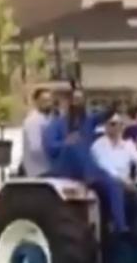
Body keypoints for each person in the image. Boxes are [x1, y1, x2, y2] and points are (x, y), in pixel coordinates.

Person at [43, 90, 128, 233]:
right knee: (74, 147)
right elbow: (50, 148)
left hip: (89, 169)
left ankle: (120, 225)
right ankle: (89, 176)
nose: (78, 104)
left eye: (81, 100)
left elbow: (104, 115)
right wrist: (66, 142)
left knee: (114, 184)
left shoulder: (88, 122)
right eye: (76, 100)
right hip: (65, 169)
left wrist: (115, 104)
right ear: (69, 103)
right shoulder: (56, 125)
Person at [92, 114, 137, 187]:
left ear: (121, 126)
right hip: (107, 185)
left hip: (125, 186)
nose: (113, 127)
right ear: (105, 126)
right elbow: (105, 166)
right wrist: (122, 180)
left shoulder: (127, 145)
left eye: (115, 124)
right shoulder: (98, 145)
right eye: (110, 124)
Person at [21, 88, 54, 177]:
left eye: (50, 100)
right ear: (36, 102)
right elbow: (36, 148)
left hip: (48, 170)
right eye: (44, 100)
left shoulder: (50, 119)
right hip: (38, 172)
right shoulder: (33, 121)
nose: (48, 103)